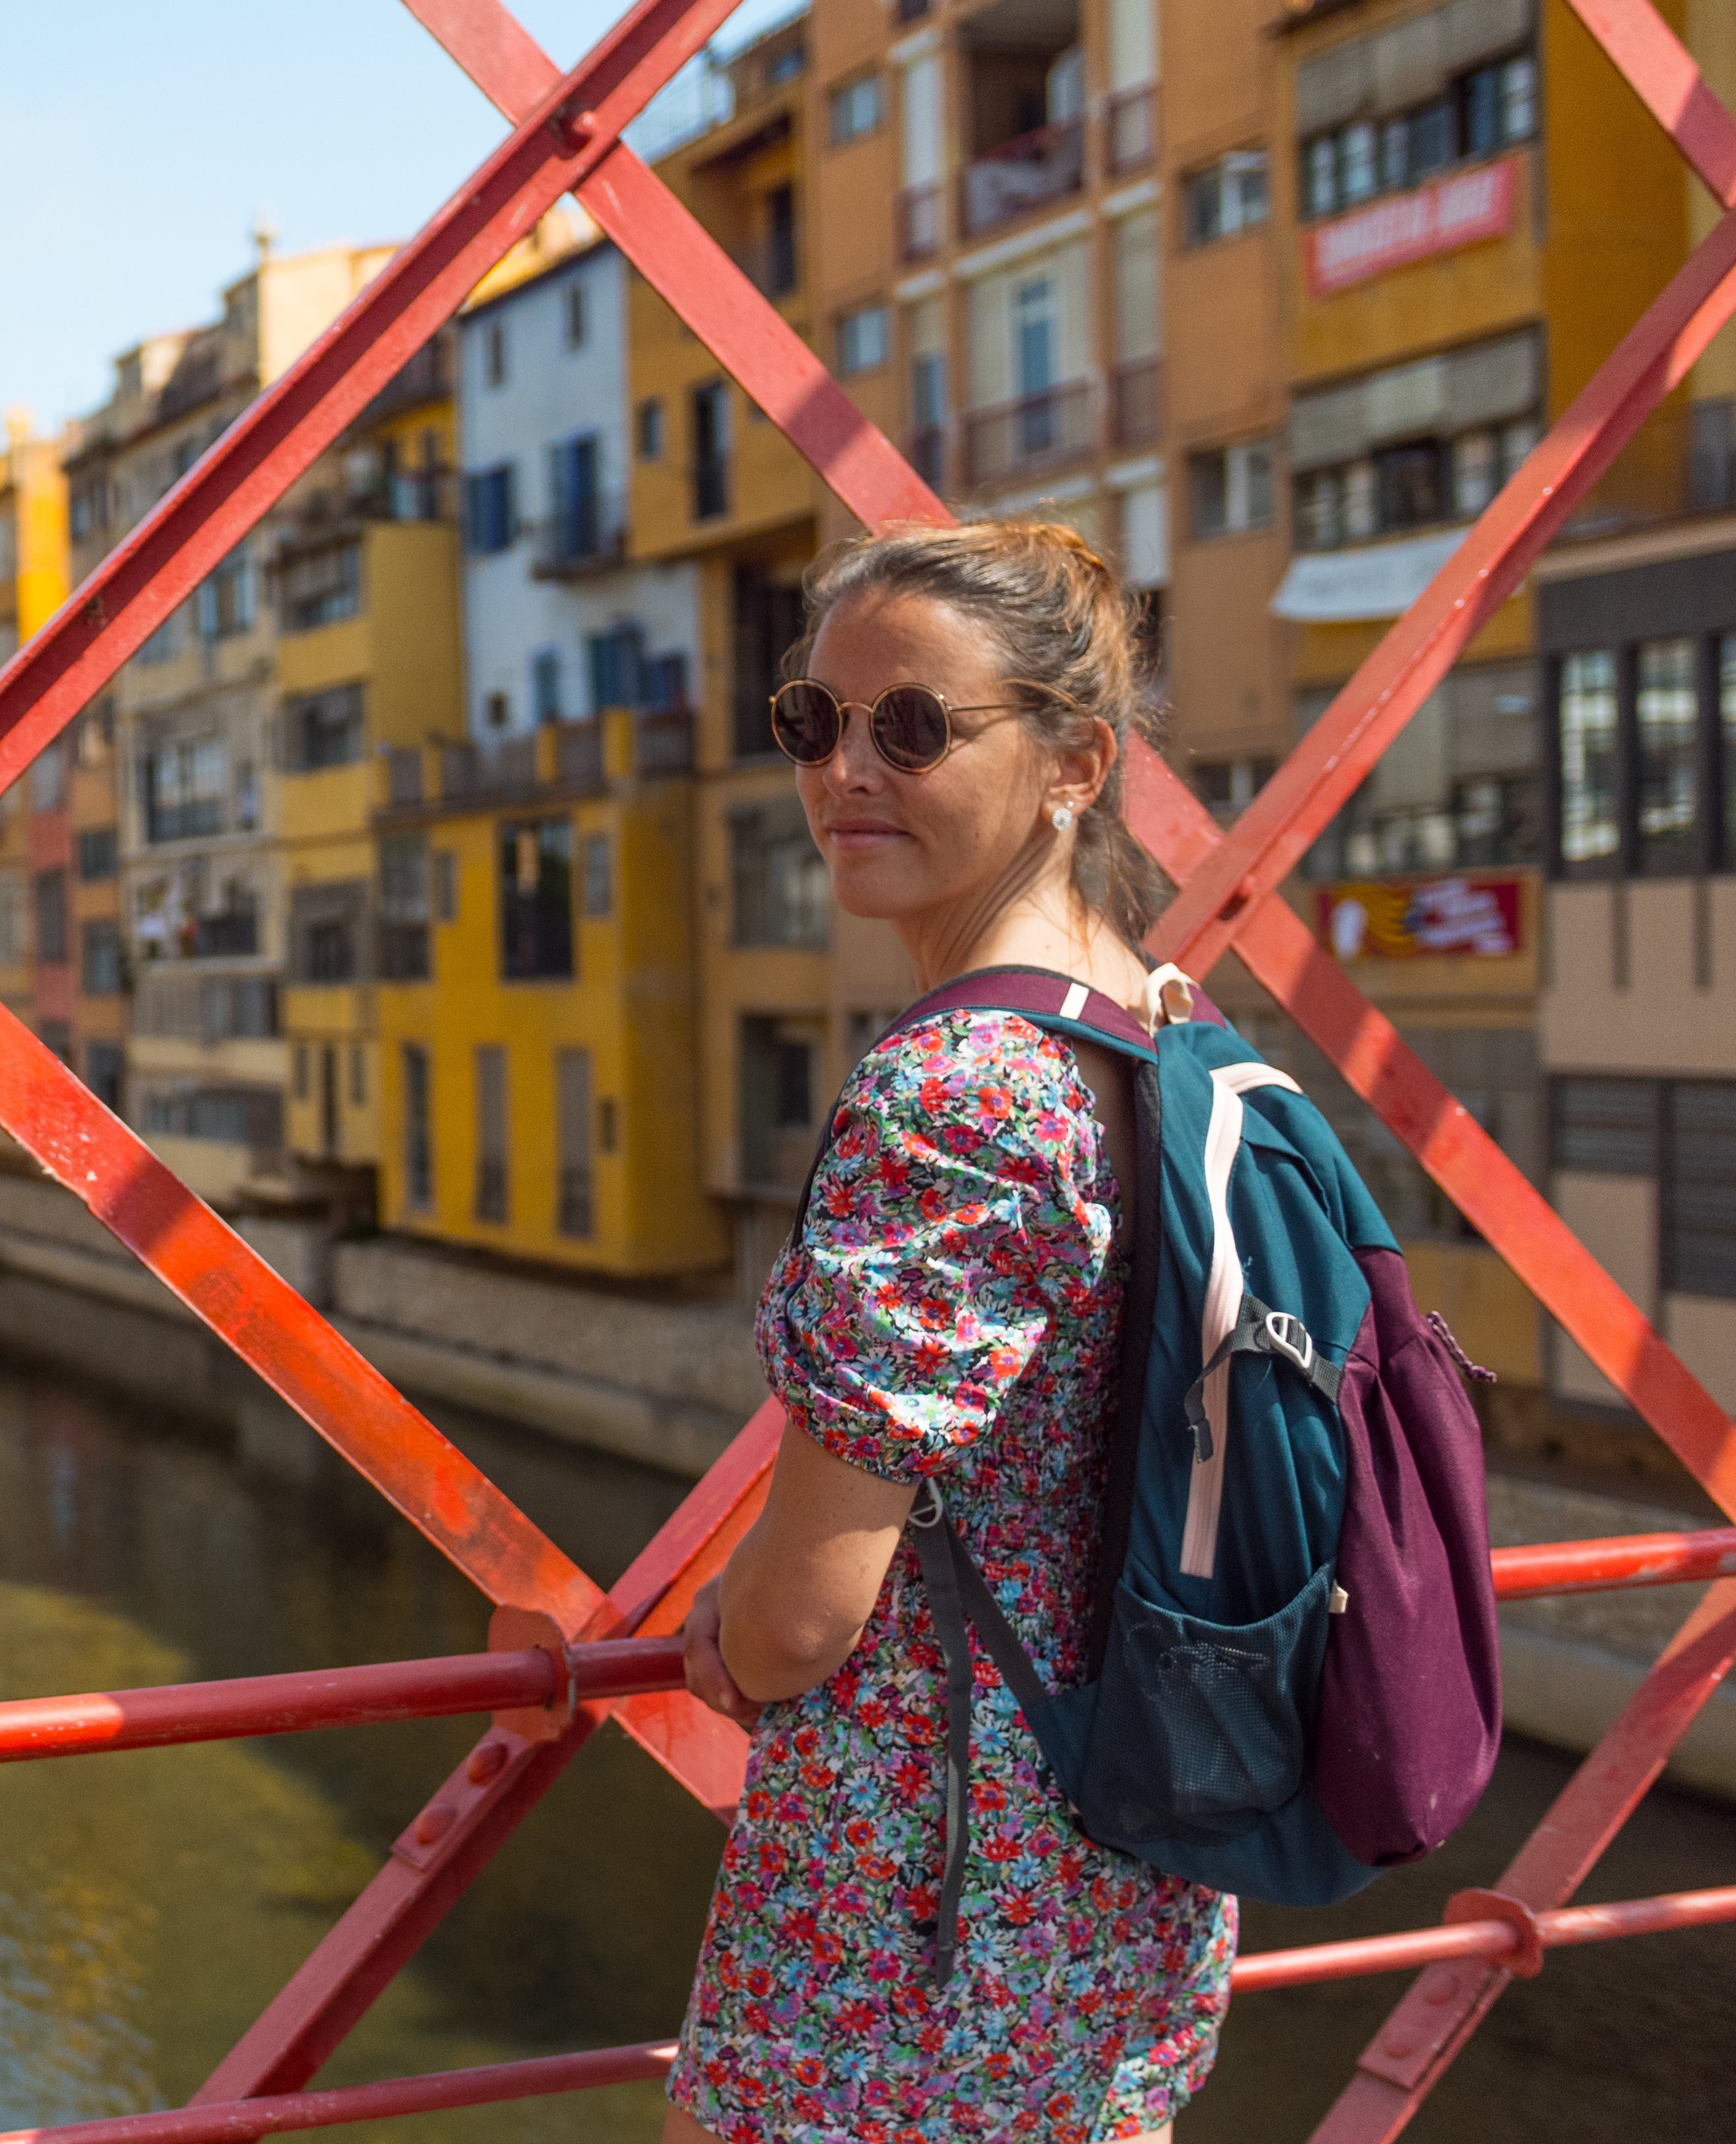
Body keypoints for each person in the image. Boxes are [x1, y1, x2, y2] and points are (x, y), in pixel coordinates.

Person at [663, 521, 1228, 2143]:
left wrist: (736, 1630)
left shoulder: (959, 1091)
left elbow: (801, 1620)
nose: (847, 767)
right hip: (1127, 1849)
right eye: (812, 721)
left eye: (914, 726)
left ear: (1075, 765)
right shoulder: (1157, 1021)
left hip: (927, 1906)